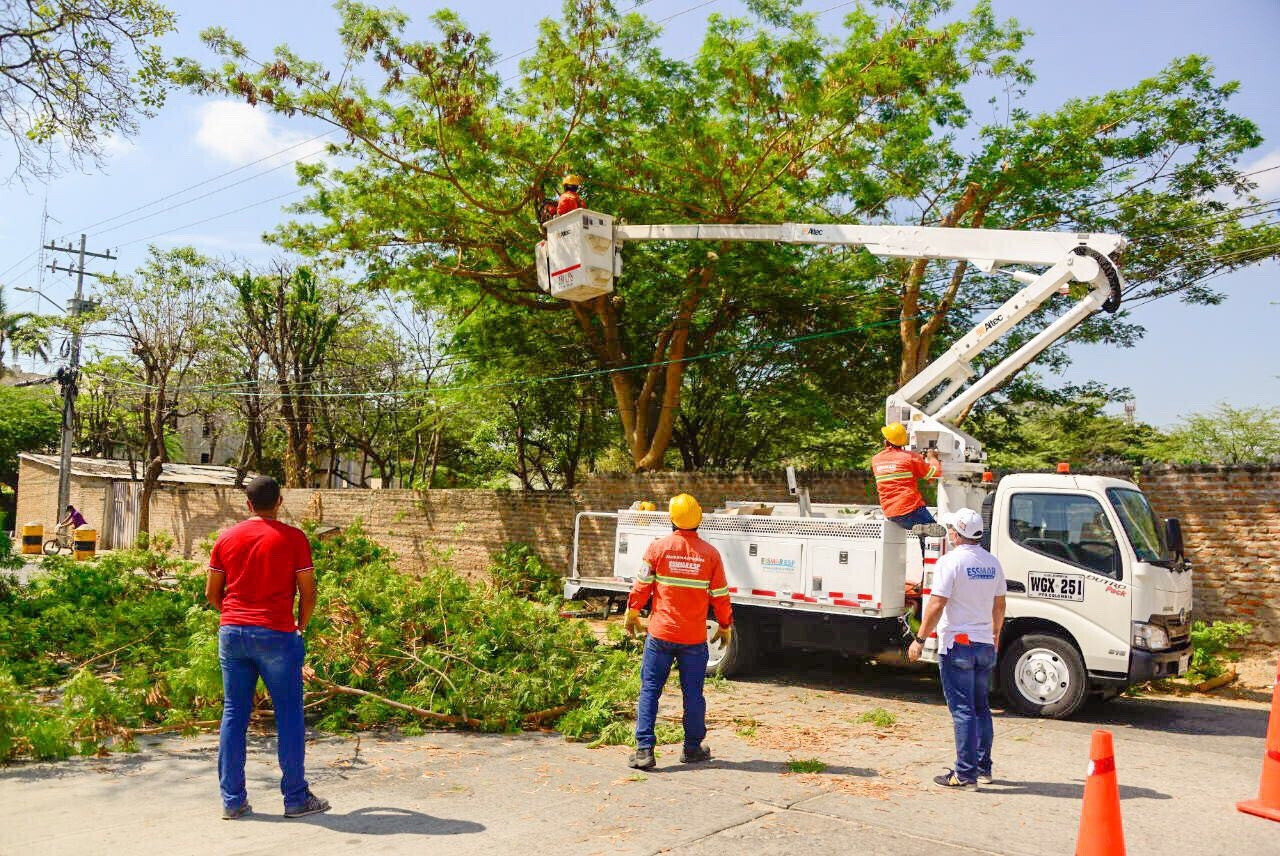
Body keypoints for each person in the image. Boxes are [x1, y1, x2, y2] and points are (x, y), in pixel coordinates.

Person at [205, 476, 329, 820]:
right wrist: (300, 627)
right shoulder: (293, 539)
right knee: (289, 715)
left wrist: (233, 618)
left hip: (232, 633)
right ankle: (296, 799)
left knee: (234, 714)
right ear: (280, 501)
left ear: (248, 504)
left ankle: (233, 801)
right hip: (277, 634)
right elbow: (308, 591)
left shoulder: (226, 538)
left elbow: (212, 593)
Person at [624, 493, 732, 770]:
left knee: (650, 690)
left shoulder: (657, 549)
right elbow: (720, 595)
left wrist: (633, 611)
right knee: (693, 693)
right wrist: (725, 624)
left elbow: (642, 584)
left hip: (660, 635)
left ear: (672, 519)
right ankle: (692, 748)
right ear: (699, 519)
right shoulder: (710, 555)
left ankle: (645, 751)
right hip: (694, 639)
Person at [908, 507, 1007, 790]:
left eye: (951, 527)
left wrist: (920, 639)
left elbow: (937, 604)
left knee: (963, 711)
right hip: (984, 644)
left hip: (958, 645)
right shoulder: (992, 563)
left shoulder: (950, 562)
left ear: (956, 532)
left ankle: (964, 774)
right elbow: (999, 605)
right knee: (981, 708)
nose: (949, 532)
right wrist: (995, 635)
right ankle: (982, 767)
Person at [872, 421, 946, 542]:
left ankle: (918, 528)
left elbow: (897, 468)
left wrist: (918, 459)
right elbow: (934, 473)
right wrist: (932, 457)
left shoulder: (876, 459)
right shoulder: (910, 457)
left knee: (922, 530)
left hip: (890, 513)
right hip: (911, 509)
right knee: (934, 536)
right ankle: (925, 548)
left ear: (886, 442)